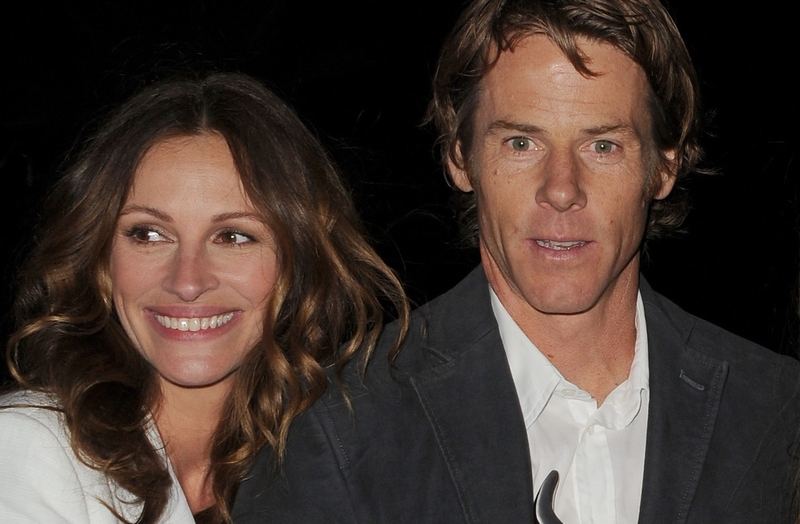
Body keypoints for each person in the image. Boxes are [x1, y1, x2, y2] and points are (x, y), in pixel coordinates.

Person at [232, 0, 800, 523]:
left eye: (602, 145)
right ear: (460, 157)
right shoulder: (337, 433)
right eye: (521, 143)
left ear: (664, 166)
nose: (561, 189)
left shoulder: (774, 413)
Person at [0, 71, 408, 523]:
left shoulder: (344, 459)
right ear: (100, 259)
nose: (187, 281)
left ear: (297, 264)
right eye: (149, 234)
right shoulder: (30, 451)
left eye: (233, 236)